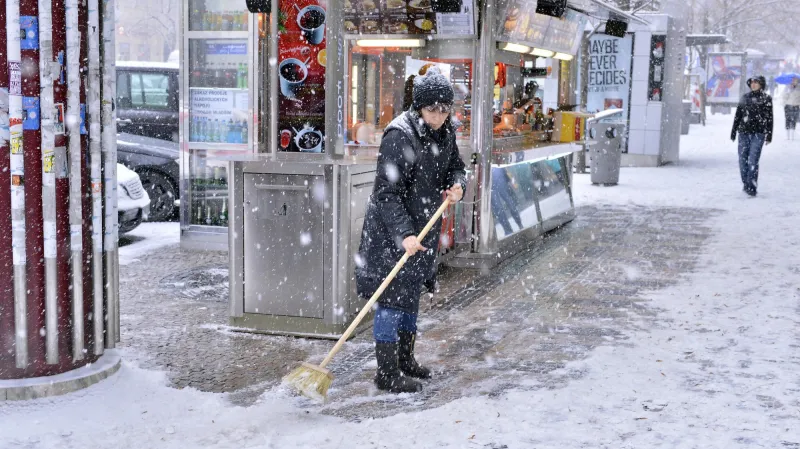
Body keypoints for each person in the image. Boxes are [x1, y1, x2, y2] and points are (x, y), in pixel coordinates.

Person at [356, 67, 466, 393]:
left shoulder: (445, 132)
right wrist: (404, 233)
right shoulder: (399, 136)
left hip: (422, 230)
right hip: (392, 234)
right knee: (391, 300)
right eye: (432, 109)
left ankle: (405, 360)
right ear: (419, 106)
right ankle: (387, 371)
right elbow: (386, 194)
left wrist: (457, 185)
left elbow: (456, 167)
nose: (439, 116)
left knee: (410, 296)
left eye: (445, 110)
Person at [731, 75, 773, 197]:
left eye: (756, 82)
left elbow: (770, 118)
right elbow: (738, 115)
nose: (753, 84)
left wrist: (769, 135)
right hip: (743, 132)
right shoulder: (745, 97)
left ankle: (751, 186)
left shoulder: (766, 99)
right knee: (742, 160)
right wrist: (733, 131)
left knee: (753, 160)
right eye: (752, 82)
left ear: (761, 84)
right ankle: (746, 183)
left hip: (758, 133)